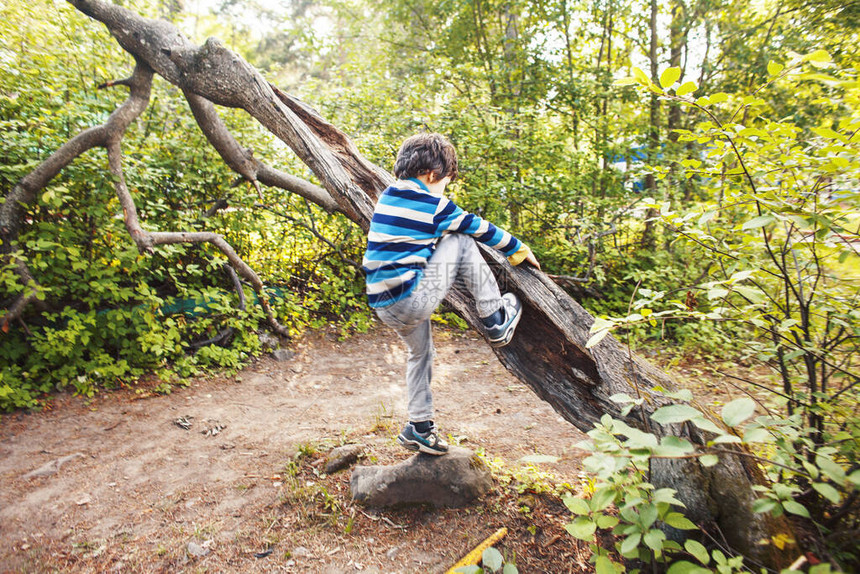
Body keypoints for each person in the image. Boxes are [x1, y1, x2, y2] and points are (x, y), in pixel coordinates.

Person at [362, 133, 540, 456]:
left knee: (421, 354)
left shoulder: (388, 196)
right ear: (432, 175)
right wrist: (517, 248)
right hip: (410, 299)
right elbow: (477, 226)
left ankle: (419, 427)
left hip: (382, 303)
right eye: (446, 181)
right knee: (461, 240)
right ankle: (495, 316)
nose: (445, 188)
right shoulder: (433, 204)